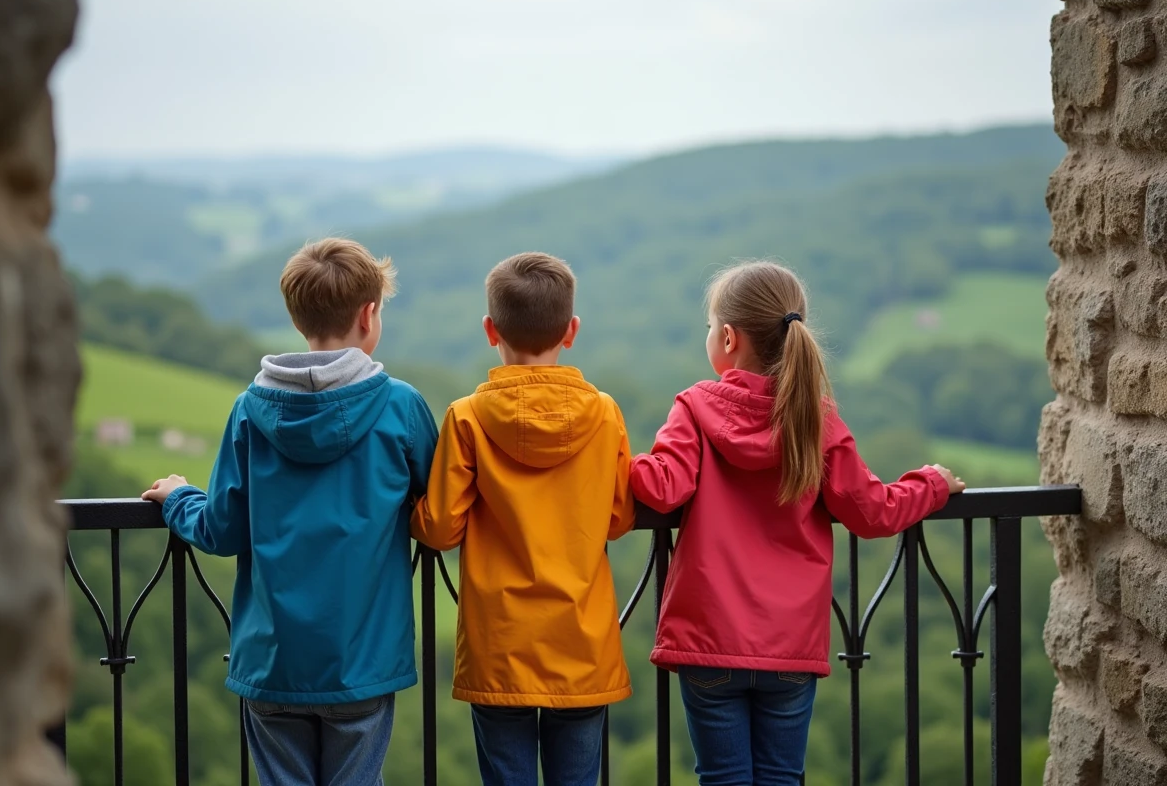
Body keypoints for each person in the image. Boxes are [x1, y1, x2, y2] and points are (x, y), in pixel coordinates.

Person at [629, 260, 965, 786]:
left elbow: (660, 488)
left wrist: (608, 454)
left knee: (722, 778)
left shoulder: (695, 408)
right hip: (788, 645)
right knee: (783, 779)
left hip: (709, 636)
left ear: (727, 337)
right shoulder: (816, 418)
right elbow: (872, 511)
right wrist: (931, 484)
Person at [142, 238, 438, 786]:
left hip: (273, 662)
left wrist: (179, 496)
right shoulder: (400, 407)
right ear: (369, 315)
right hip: (362, 663)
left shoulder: (251, 410)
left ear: (296, 317)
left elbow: (220, 528)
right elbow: (442, 510)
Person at [411, 251, 636, 786]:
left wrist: (412, 506)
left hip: (500, 644)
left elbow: (440, 529)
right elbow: (621, 515)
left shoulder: (466, 416)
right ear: (572, 330)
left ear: (491, 330)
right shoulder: (603, 413)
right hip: (581, 643)